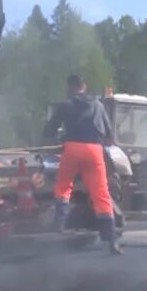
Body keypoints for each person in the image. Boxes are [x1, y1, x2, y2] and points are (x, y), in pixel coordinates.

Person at [43, 74, 122, 255]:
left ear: (71, 87)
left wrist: (55, 139)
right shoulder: (99, 105)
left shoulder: (66, 105)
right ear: (84, 86)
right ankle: (110, 239)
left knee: (63, 186)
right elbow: (109, 134)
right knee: (101, 193)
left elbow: (49, 129)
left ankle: (60, 225)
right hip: (94, 150)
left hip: (72, 148)